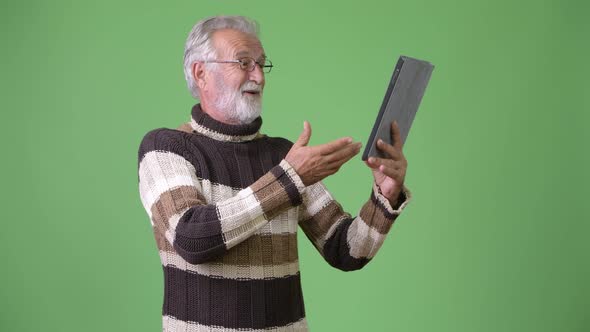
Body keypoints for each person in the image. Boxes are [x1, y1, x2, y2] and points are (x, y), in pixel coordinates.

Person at [137, 15, 412, 332]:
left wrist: (385, 196)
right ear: (201, 73)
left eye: (261, 64)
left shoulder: (283, 157)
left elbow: (345, 250)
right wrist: (289, 179)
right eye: (243, 62)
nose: (258, 76)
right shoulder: (166, 148)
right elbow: (191, 238)